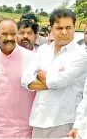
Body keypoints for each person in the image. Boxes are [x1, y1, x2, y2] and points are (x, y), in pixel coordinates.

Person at [21, 8, 87, 138]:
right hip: (39, 118)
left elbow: (56, 81)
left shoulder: (81, 55)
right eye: (59, 28)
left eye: (68, 27)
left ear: (74, 28)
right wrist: (53, 81)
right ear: (51, 28)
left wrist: (39, 73)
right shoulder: (43, 50)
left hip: (65, 121)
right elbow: (25, 80)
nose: (64, 32)